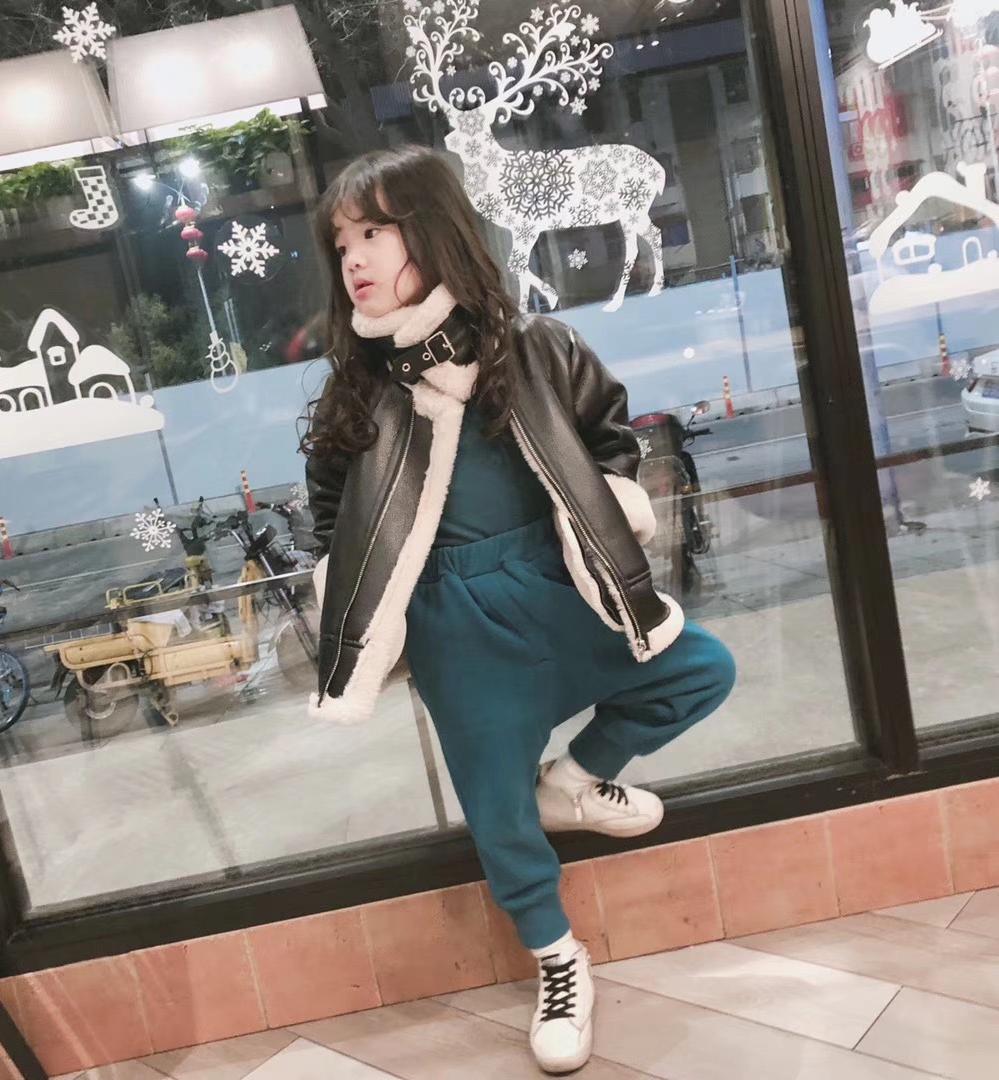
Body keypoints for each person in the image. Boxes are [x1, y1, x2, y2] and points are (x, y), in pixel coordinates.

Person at [302, 145, 735, 1074]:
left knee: (700, 669)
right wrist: (371, 614)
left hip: (560, 581)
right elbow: (333, 520)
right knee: (497, 812)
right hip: (453, 623)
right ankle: (557, 958)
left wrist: (610, 508)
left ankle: (573, 781)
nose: (354, 258)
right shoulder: (358, 390)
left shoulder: (535, 347)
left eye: (373, 232)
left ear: (433, 231)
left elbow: (609, 438)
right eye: (341, 243)